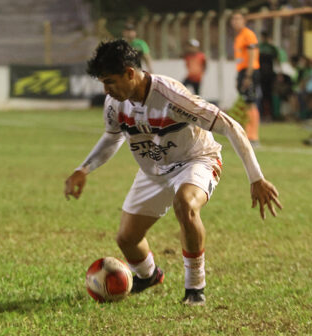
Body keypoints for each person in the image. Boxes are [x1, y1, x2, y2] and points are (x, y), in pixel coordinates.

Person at [64, 40, 281, 306]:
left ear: (130, 73)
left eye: (110, 81)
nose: (106, 89)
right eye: (103, 83)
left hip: (196, 160)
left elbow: (229, 125)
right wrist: (83, 169)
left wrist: (256, 177)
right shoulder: (115, 103)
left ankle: (195, 288)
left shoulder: (171, 97)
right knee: (127, 239)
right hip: (155, 170)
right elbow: (112, 138)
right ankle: (148, 276)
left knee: (185, 205)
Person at [231, 12, 261, 148]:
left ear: (244, 21)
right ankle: (246, 134)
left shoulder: (248, 34)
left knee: (250, 102)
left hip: (249, 71)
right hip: (242, 71)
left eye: (238, 18)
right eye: (233, 19)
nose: (235, 21)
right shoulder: (239, 37)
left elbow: (252, 55)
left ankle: (253, 137)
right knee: (245, 102)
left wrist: (248, 75)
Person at [258, 31, 280, 121]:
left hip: (264, 75)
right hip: (267, 74)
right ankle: (269, 114)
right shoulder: (271, 48)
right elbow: (277, 60)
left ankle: (266, 114)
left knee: (265, 95)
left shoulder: (261, 47)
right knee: (268, 95)